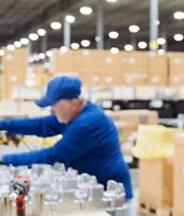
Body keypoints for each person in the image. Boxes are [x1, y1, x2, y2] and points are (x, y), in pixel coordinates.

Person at [0, 75, 133, 200]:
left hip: (110, 193)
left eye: (54, 105)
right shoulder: (72, 114)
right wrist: (3, 125)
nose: (51, 110)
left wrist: (5, 159)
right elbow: (40, 125)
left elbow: (53, 155)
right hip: (91, 188)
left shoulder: (88, 123)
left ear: (73, 103)